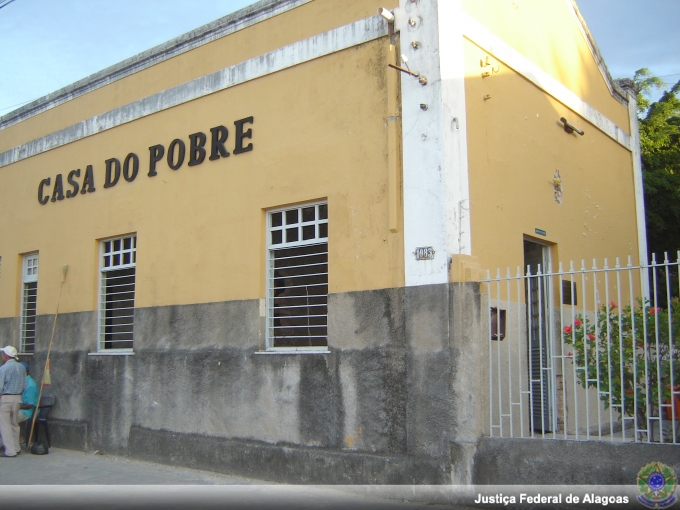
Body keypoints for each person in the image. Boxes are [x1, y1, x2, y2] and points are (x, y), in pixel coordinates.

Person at [0, 346, 27, 457]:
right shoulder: (21, 367)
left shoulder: (3, 368)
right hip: (18, 398)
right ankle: (17, 447)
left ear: (6, 356)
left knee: (5, 425)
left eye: (2, 355)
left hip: (6, 398)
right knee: (14, 423)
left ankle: (10, 451)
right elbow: (25, 385)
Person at [17, 362, 38, 445]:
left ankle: (19, 438)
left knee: (8, 418)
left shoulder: (30, 385)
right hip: (22, 408)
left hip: (28, 412)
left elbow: (29, 404)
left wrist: (17, 407)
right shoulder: (22, 382)